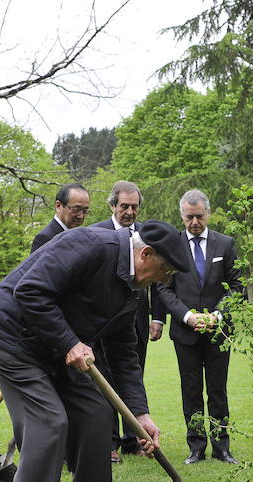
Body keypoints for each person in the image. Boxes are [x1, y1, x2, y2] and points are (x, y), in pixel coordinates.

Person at [0, 220, 190, 482]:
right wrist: (69, 342)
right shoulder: (89, 245)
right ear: (146, 254)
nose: (163, 281)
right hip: (12, 337)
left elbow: (123, 353)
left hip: (55, 347)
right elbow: (30, 291)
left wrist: (140, 414)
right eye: (164, 273)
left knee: (97, 414)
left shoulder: (132, 288)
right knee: (48, 421)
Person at [157, 189, 242, 465]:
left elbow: (237, 287)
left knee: (218, 390)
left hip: (219, 331)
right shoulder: (173, 246)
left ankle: (222, 447)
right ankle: (196, 447)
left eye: (199, 216)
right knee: (191, 391)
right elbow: (164, 288)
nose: (194, 222)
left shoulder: (226, 244)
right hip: (185, 333)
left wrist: (218, 315)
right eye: (189, 217)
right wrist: (187, 316)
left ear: (208, 214)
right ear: (182, 215)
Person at [90, 180, 164, 462]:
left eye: (135, 207)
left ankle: (133, 436)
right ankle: (109, 443)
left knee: (132, 374)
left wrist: (157, 317)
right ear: (112, 206)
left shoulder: (147, 236)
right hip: (105, 324)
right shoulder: (97, 233)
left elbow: (158, 281)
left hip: (137, 322)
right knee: (105, 377)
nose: (130, 212)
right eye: (124, 206)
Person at [30, 183, 90, 253]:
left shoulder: (81, 236)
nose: (81, 216)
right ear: (58, 206)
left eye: (85, 211)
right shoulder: (45, 238)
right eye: (76, 209)